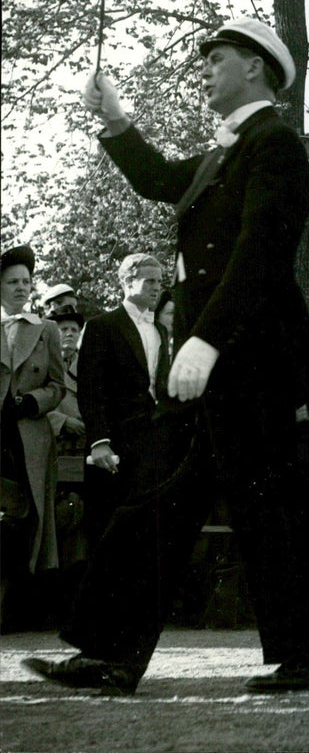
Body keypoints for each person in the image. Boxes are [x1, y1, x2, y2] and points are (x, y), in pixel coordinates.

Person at [25, 18, 309, 695]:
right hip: (219, 364)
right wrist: (115, 122)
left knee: (266, 507)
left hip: (250, 360)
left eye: (216, 58)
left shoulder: (276, 142)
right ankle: (115, 652)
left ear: (255, 68)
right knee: (167, 501)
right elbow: (160, 178)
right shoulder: (224, 151)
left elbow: (262, 249)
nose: (204, 69)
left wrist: (206, 336)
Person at [77, 254, 171, 550]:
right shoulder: (101, 326)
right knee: (110, 530)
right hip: (117, 444)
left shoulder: (160, 330)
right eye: (149, 281)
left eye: (159, 281)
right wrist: (99, 441)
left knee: (148, 531)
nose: (156, 288)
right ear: (128, 283)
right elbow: (91, 389)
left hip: (154, 442)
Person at [1, 245, 66, 622]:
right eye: (12, 282)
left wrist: (33, 402)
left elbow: (58, 384)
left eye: (26, 281)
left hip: (29, 437)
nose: (22, 288)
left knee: (28, 521)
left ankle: (19, 608)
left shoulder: (47, 330)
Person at [46, 310, 85, 453]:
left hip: (83, 445)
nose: (70, 333)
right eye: (64, 329)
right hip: (52, 444)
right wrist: (62, 422)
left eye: (74, 330)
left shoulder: (90, 364)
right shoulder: (41, 364)